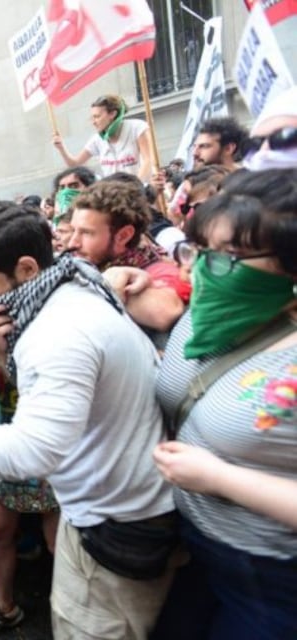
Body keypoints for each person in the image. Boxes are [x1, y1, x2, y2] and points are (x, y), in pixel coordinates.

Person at [0, 206, 177, 640]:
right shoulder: (73, 287)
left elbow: (32, 452)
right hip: (105, 501)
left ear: (28, 269)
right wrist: (2, 354)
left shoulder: (57, 333)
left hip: (115, 520)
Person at [150, 169, 297, 639]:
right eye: (197, 249)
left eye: (228, 256)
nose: (195, 270)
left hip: (270, 577)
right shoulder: (208, 312)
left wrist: (219, 477)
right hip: (195, 546)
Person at [68, 180, 188, 333]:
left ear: (123, 236)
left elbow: (165, 312)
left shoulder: (161, 270)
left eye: (86, 233)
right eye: (73, 230)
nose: (72, 243)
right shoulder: (86, 266)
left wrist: (109, 282)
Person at [53, 95, 152, 181]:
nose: (93, 122)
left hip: (138, 189)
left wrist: (137, 185)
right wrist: (61, 148)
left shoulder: (137, 128)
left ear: (112, 114)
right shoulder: (96, 140)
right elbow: (75, 164)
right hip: (113, 192)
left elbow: (148, 160)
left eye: (97, 116)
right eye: (92, 118)